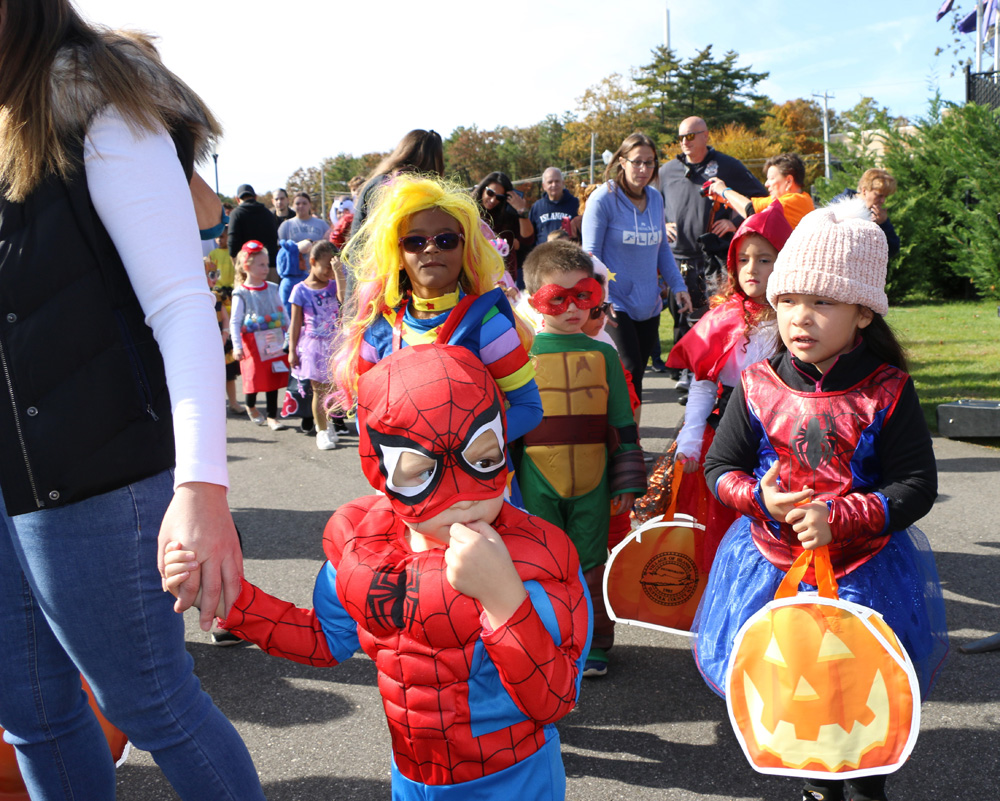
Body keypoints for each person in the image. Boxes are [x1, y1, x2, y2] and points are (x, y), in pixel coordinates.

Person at [0, 3, 264, 797]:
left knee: (150, 705)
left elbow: (182, 304)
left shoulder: (94, 91)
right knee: (30, 714)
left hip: (99, 471)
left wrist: (201, 489)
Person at [163, 343, 591, 801]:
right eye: (421, 472)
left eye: (484, 461)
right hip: (412, 778)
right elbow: (325, 640)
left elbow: (554, 700)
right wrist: (234, 602)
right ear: (379, 470)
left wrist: (505, 601)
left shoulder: (536, 558)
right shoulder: (364, 548)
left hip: (514, 779)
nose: (462, 496)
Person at [694, 199, 948, 801]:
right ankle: (813, 786)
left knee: (857, 705)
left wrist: (839, 517)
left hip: (864, 572)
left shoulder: (887, 391)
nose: (798, 318)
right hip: (769, 568)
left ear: (863, 313)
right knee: (795, 701)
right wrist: (762, 499)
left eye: (821, 302)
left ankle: (866, 783)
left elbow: (917, 484)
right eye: (786, 301)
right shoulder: (757, 385)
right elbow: (718, 468)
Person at [333, 174, 542, 446]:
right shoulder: (378, 331)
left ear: (466, 248)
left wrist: (470, 450)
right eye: (414, 242)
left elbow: (528, 407)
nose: (431, 248)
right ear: (397, 255)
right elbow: (366, 413)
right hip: (405, 485)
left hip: (479, 483)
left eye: (446, 240)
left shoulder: (488, 325)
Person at [520, 240, 645, 678]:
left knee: (592, 562)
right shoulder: (521, 355)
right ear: (536, 299)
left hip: (594, 475)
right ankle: (546, 644)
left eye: (584, 296)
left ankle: (594, 644)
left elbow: (622, 421)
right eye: (559, 297)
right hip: (536, 475)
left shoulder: (605, 354)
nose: (573, 308)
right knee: (542, 563)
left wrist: (627, 480)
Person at [663, 201, 793, 566]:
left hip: (784, 433)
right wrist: (690, 434)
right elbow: (704, 383)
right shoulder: (723, 319)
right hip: (730, 432)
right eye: (744, 259)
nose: (752, 269)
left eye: (765, 259)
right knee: (727, 520)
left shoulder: (794, 318)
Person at [581, 132, 691, 407]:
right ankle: (622, 442)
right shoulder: (603, 198)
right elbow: (590, 255)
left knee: (637, 374)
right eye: (637, 162)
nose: (644, 170)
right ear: (622, 161)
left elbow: (662, 248)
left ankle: (631, 441)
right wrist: (601, 300)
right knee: (627, 370)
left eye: (650, 163)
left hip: (649, 304)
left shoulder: (655, 198)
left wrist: (678, 285)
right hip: (615, 302)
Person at [658, 117, 766, 380]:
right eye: (681, 137)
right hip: (676, 256)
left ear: (706, 136)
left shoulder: (727, 166)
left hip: (713, 258)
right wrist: (661, 222)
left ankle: (708, 373)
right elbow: (650, 202)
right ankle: (683, 373)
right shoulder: (666, 171)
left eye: (691, 136)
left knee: (711, 317)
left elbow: (761, 201)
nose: (685, 141)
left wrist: (733, 221)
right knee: (680, 315)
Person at [288, 240, 343, 450]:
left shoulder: (334, 284)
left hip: (335, 343)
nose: (329, 271)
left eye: (333, 266)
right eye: (327, 266)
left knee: (334, 389)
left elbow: (343, 299)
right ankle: (321, 431)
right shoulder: (299, 290)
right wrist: (292, 351)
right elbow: (295, 323)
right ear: (313, 262)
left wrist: (339, 274)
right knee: (319, 390)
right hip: (314, 345)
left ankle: (329, 424)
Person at [230, 240, 290, 430]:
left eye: (267, 264)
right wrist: (237, 345)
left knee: (273, 376)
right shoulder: (241, 293)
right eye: (261, 264)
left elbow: (284, 313)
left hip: (273, 340)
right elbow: (235, 321)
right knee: (253, 376)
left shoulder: (272, 288)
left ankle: (272, 416)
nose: (266, 268)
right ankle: (250, 404)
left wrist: (290, 334)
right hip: (252, 343)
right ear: (247, 266)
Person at [708, 152, 815, 230]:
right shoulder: (800, 199)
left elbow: (750, 211)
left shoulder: (791, 202)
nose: (766, 184)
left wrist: (724, 190)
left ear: (789, 181)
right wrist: (724, 199)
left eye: (771, 179)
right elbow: (752, 205)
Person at [472, 171, 533, 284]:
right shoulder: (470, 212)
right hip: (477, 276)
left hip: (505, 280)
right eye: (490, 193)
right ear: (482, 189)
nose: (493, 200)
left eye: (499, 197)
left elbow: (527, 239)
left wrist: (521, 210)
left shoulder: (508, 216)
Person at [833, 168, 900, 258]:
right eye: (879, 195)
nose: (883, 201)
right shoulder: (839, 205)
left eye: (885, 196)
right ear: (864, 190)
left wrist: (884, 224)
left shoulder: (878, 215)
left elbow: (892, 250)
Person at [228, 182, 280, 275]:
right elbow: (274, 239)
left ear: (237, 199)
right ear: (255, 197)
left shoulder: (236, 214)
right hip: (269, 266)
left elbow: (232, 243)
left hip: (247, 268)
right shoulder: (268, 213)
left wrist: (237, 265)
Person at [529, 167, 580, 242]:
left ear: (563, 183)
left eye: (557, 181)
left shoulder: (576, 204)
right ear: (544, 186)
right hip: (544, 252)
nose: (554, 185)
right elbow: (531, 236)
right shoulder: (537, 207)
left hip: (568, 251)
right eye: (550, 182)